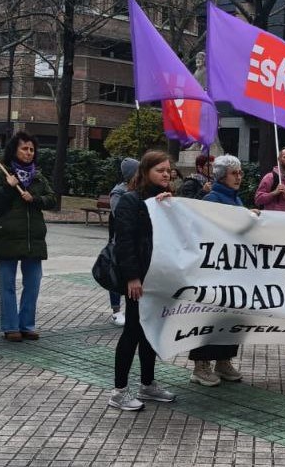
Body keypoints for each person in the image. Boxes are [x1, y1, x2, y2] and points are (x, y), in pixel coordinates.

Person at [109, 150, 177, 410]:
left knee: (151, 331)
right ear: (146, 172)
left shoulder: (166, 201)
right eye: (160, 170)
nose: (166, 174)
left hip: (159, 277)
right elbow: (124, 242)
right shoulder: (130, 201)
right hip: (139, 278)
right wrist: (132, 277)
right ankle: (119, 391)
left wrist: (171, 207)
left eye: (168, 170)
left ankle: (147, 384)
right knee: (133, 331)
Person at [0, 131, 57, 342]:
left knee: (33, 284)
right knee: (7, 285)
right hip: (7, 237)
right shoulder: (3, 175)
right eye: (24, 148)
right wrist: (8, 187)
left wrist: (34, 199)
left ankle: (27, 325)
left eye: (31, 149)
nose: (28, 153)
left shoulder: (38, 177)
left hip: (33, 239)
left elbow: (51, 199)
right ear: (14, 151)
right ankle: (10, 327)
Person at [189, 154, 250, 386]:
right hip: (215, 272)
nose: (239, 177)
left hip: (235, 270)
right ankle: (201, 365)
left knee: (231, 317)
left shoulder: (237, 199)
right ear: (222, 176)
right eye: (234, 173)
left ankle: (223, 360)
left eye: (240, 173)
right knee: (209, 317)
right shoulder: (212, 199)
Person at [106, 157, 140, 327]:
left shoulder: (141, 190)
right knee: (117, 276)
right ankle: (116, 310)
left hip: (138, 242)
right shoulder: (118, 192)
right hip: (120, 242)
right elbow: (119, 216)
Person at [255, 147, 285, 212]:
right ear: (279, 159)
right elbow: (258, 200)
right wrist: (273, 193)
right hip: (272, 217)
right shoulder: (269, 177)